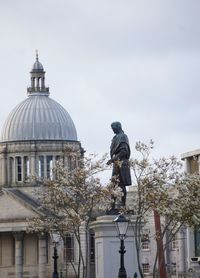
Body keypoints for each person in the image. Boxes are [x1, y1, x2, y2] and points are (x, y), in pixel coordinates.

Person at [107, 122, 132, 207]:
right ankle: (112, 205)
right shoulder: (115, 137)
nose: (113, 130)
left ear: (119, 127)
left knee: (121, 185)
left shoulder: (123, 137)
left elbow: (124, 151)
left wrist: (112, 159)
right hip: (116, 163)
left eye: (114, 128)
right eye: (112, 129)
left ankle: (123, 205)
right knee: (113, 185)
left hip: (122, 163)